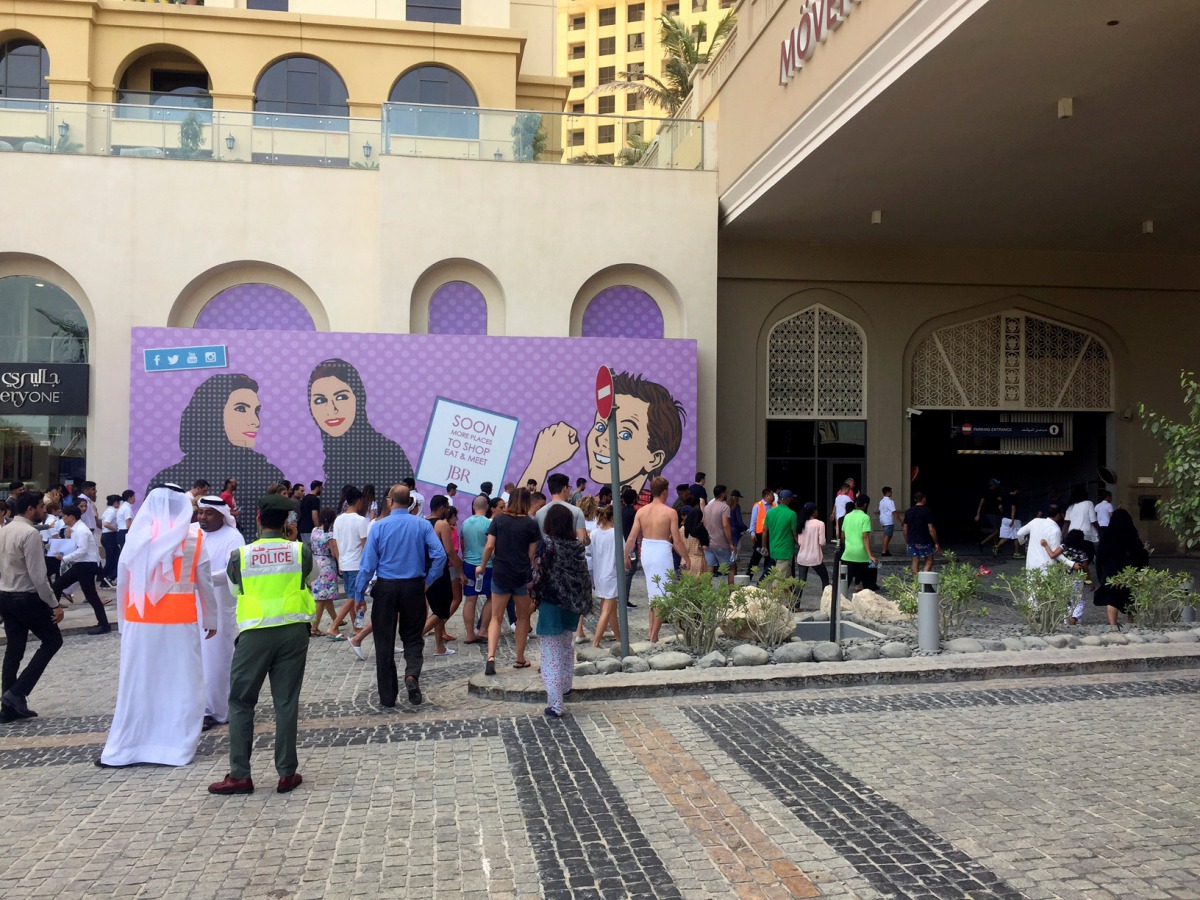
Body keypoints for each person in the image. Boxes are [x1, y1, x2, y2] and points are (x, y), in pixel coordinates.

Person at [100, 486, 217, 768]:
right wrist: (211, 619)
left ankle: (129, 746)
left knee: (139, 683)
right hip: (180, 623)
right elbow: (206, 583)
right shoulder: (195, 537)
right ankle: (175, 747)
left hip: (140, 623)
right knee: (182, 684)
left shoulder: (137, 535)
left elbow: (123, 583)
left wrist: (124, 625)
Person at [209, 494, 315, 795]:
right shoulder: (299, 551)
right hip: (293, 631)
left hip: (255, 632)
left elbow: (233, 589)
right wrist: (293, 541)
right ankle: (286, 773)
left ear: (257, 518)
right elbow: (313, 576)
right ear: (287, 522)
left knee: (242, 701)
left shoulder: (240, 556)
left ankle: (240, 774)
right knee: (286, 701)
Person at [148, 374, 285, 541]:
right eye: (241, 409)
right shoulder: (167, 479)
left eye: (256, 411)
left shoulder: (268, 473)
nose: (255, 421)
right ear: (212, 413)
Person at [518, 372, 687, 499]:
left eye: (625, 434)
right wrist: (540, 463)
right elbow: (518, 515)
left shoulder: (646, 508)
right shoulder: (595, 500)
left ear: (654, 459)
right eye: (600, 426)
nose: (603, 439)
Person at [355, 485, 446, 707]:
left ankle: (387, 696)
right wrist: (427, 581)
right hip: (413, 586)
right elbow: (440, 556)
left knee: (384, 640)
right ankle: (412, 675)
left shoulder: (378, 527)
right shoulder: (422, 525)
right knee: (413, 636)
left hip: (386, 587)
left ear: (390, 501)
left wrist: (358, 593)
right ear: (411, 503)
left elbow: (367, 566)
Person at [307, 358, 414, 495]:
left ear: (359, 398)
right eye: (320, 400)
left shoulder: (387, 453)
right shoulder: (334, 456)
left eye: (341, 397)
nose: (332, 409)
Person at [0, 491, 64, 721]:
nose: (43, 512)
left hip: (6, 595)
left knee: (14, 649)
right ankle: (16, 692)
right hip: (26, 597)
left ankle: (9, 707)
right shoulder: (30, 533)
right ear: (30, 509)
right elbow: (38, 575)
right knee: (53, 640)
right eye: (41, 507)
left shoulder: (4, 530)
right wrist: (54, 604)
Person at [532, 504, 592, 718]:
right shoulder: (577, 547)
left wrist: (532, 598)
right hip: (572, 605)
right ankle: (566, 687)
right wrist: (586, 603)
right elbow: (585, 577)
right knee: (566, 647)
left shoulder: (547, 544)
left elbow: (538, 574)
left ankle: (556, 704)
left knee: (550, 653)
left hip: (552, 604)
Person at [195, 495, 246, 730]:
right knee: (193, 658)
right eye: (200, 512)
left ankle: (215, 709)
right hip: (189, 604)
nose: (202, 517)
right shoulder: (191, 532)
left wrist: (199, 578)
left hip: (219, 606)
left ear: (221, 515)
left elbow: (232, 571)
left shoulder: (233, 537)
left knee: (216, 659)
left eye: (209, 513)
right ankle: (196, 707)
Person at [480, 487, 541, 674]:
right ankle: (520, 658)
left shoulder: (498, 519)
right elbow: (531, 556)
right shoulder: (531, 525)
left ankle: (491, 656)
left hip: (501, 572)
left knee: (496, 618)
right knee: (522, 617)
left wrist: (482, 566)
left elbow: (490, 545)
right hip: (521, 575)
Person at [624, 477, 690, 643]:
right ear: (665, 491)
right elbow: (677, 540)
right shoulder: (670, 512)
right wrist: (687, 558)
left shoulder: (641, 511)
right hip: (661, 551)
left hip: (647, 550)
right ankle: (653, 635)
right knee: (663, 594)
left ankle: (652, 633)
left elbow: (632, 537)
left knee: (653, 592)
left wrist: (625, 556)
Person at [53, 504, 108, 634]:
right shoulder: (75, 529)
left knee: (90, 595)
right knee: (58, 586)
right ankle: (103, 624)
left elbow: (82, 550)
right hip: (82, 565)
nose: (63, 518)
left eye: (64, 516)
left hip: (86, 565)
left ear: (71, 517)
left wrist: (64, 558)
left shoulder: (81, 530)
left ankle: (103, 624)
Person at [1093, 508, 1150, 628]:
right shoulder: (1131, 535)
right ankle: (1131, 624)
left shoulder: (1107, 536)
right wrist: (1145, 553)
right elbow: (1138, 555)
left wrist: (1101, 575)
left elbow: (1100, 557)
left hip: (1110, 572)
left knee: (1112, 599)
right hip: (1128, 572)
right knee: (1131, 598)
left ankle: (1113, 625)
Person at [327, 487, 369, 638]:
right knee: (353, 597)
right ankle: (333, 626)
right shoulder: (361, 520)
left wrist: (339, 562)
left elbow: (335, 543)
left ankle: (356, 627)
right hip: (356, 564)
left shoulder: (339, 519)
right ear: (358, 501)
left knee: (352, 597)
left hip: (344, 563)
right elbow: (365, 546)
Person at [422, 496, 460, 658]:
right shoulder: (442, 525)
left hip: (425, 570)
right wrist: (462, 572)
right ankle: (415, 636)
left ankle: (439, 646)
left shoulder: (422, 523)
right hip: (439, 571)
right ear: (441, 508)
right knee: (442, 610)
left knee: (437, 607)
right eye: (446, 507)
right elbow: (450, 552)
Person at [460, 495, 492, 644]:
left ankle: (469, 634)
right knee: (492, 598)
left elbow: (462, 543)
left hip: (468, 563)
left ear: (473, 507)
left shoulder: (465, 523)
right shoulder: (489, 523)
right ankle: (483, 630)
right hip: (487, 565)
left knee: (470, 599)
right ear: (487, 507)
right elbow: (491, 545)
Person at [1042, 528, 1092, 625]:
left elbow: (1052, 555)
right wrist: (1090, 581)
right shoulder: (1082, 552)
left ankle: (1066, 621)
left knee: (1066, 599)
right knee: (1079, 600)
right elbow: (1086, 568)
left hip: (1063, 578)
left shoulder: (1063, 547)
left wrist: (1045, 545)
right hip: (1077, 579)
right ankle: (1075, 618)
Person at [589, 504, 620, 646]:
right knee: (607, 610)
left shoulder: (594, 533)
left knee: (610, 609)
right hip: (611, 574)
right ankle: (595, 642)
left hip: (599, 574)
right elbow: (623, 553)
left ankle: (620, 639)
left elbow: (588, 550)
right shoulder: (615, 533)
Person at [309, 510, 340, 637]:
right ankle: (314, 627)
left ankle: (336, 620)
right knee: (322, 599)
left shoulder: (314, 531)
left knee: (326, 597)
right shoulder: (330, 535)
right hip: (326, 565)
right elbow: (334, 552)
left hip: (315, 563)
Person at [535, 473, 589, 544]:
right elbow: (582, 540)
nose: (569, 490)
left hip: (547, 553)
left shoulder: (539, 513)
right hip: (569, 553)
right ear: (564, 488)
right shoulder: (577, 511)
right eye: (569, 487)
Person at [840, 494, 877, 591]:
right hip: (862, 556)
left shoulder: (847, 516)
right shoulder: (865, 517)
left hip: (848, 554)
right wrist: (870, 555)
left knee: (844, 585)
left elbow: (842, 536)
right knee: (868, 583)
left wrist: (847, 546)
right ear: (865, 505)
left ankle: (840, 604)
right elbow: (865, 536)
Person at [794, 502, 829, 603]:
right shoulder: (820, 524)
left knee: (801, 581)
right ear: (814, 511)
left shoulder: (801, 524)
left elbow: (800, 542)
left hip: (802, 557)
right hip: (815, 557)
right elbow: (822, 542)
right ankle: (826, 602)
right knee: (825, 579)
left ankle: (795, 605)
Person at [702, 484, 736, 583]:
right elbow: (725, 525)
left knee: (710, 568)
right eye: (726, 492)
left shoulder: (707, 507)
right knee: (731, 567)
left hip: (709, 542)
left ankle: (706, 591)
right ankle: (732, 593)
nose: (727, 494)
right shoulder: (725, 507)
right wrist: (730, 543)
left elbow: (704, 523)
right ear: (722, 493)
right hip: (721, 542)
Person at [1017, 504, 1065, 573]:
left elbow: (1019, 533)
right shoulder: (1056, 530)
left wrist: (1023, 541)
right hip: (1047, 567)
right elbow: (1054, 553)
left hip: (1031, 564)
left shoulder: (1035, 521)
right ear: (1058, 515)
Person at [762, 490, 799, 578]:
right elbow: (794, 534)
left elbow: (764, 530)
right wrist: (801, 544)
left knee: (784, 579)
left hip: (773, 550)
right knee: (780, 581)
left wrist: (764, 546)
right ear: (789, 500)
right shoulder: (792, 514)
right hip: (785, 551)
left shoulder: (770, 513)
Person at [902, 492, 940, 574]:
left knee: (915, 561)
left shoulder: (909, 511)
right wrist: (936, 542)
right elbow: (931, 528)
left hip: (912, 540)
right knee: (929, 559)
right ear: (923, 499)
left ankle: (916, 582)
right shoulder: (927, 511)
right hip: (925, 539)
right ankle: (924, 575)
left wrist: (907, 540)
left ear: (915, 499)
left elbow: (905, 528)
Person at [1064, 487, 1100, 553]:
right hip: (1086, 535)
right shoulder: (1089, 503)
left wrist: (1063, 536)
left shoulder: (1070, 506)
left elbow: (1066, 523)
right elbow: (1093, 521)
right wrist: (1100, 530)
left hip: (1072, 534)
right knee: (1090, 553)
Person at [748, 488, 775, 575]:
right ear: (766, 496)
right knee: (756, 556)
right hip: (759, 534)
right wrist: (752, 533)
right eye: (772, 495)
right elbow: (753, 520)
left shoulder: (774, 505)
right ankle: (749, 575)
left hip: (770, 534)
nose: (773, 497)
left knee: (769, 556)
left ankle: (766, 575)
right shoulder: (758, 505)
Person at [99, 494, 123, 587]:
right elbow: (106, 524)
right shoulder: (112, 511)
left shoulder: (108, 510)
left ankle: (107, 578)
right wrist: (116, 529)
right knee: (112, 559)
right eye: (119, 502)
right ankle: (105, 578)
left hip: (107, 536)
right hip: (109, 536)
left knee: (113, 558)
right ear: (116, 502)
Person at [975, 478, 1003, 552]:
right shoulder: (992, 492)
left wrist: (978, 514)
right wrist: (978, 514)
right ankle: (982, 543)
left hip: (993, 513)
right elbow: (981, 503)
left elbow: (981, 503)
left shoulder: (991, 492)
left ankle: (996, 546)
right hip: (992, 513)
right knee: (996, 531)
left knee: (995, 530)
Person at [996, 485, 1023, 557]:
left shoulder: (1004, 497)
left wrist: (1004, 512)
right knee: (1017, 536)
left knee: (1006, 536)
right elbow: (1013, 508)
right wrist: (1012, 519)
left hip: (1004, 519)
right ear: (1016, 490)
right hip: (1013, 519)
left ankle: (995, 547)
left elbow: (1000, 507)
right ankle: (1016, 553)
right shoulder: (1015, 498)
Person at [681, 506, 709, 575]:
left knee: (687, 584)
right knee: (698, 584)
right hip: (697, 560)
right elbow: (705, 547)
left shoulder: (682, 529)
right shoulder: (700, 528)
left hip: (684, 560)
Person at [298, 480, 323, 549]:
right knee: (311, 550)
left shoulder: (304, 498)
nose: (321, 490)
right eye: (321, 488)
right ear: (317, 488)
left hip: (302, 529)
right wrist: (318, 529)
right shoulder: (315, 499)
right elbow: (314, 516)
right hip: (310, 529)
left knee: (305, 549)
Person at [878, 487, 896, 557]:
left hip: (883, 519)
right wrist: (901, 521)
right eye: (891, 492)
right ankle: (884, 550)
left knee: (887, 535)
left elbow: (880, 511)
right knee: (887, 535)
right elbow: (894, 512)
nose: (892, 493)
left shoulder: (881, 501)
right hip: (888, 520)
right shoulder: (890, 501)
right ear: (888, 492)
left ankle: (886, 549)